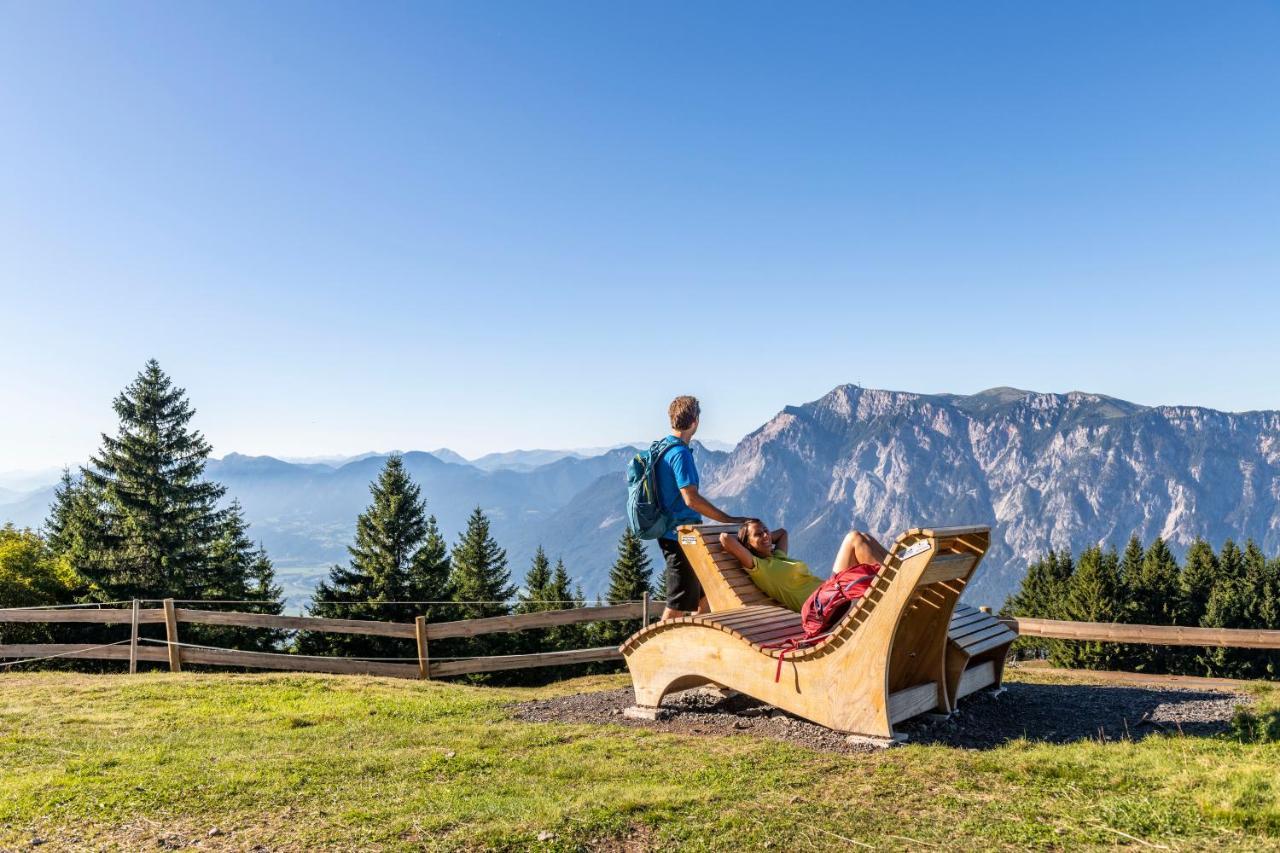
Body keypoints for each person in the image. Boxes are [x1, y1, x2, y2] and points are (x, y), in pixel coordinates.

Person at [656, 395, 748, 620]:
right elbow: (691, 499)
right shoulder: (680, 454)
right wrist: (727, 519)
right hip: (680, 537)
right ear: (695, 421)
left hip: (679, 534)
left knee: (706, 589)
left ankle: (696, 642)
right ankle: (661, 651)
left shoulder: (664, 448)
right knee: (678, 600)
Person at [718, 519, 888, 613]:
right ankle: (893, 581)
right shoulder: (758, 567)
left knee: (861, 537)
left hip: (829, 591)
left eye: (766, 530)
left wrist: (762, 536)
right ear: (747, 545)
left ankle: (894, 571)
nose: (765, 535)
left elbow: (783, 532)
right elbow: (725, 539)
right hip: (820, 606)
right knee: (854, 538)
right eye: (758, 534)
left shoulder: (777, 556)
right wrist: (743, 525)